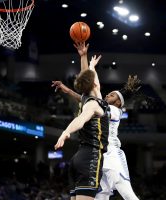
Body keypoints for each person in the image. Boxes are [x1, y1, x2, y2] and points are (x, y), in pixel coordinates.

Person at [52, 42, 140, 200]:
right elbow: (88, 93)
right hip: (96, 154)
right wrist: (84, 60)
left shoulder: (115, 111)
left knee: (127, 194)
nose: (107, 96)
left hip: (112, 153)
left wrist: (90, 66)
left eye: (112, 95)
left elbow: (91, 88)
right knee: (101, 195)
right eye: (108, 94)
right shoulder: (97, 104)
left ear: (119, 102)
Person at [54, 54, 110, 200]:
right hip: (90, 158)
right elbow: (80, 120)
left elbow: (88, 76)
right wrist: (66, 131)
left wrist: (85, 57)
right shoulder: (93, 104)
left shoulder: (89, 98)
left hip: (78, 158)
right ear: (95, 85)